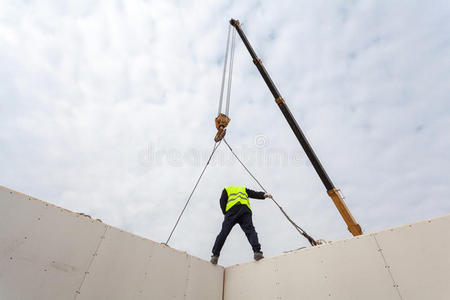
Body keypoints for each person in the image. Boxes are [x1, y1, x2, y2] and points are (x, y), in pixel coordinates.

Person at [210, 186, 272, 265]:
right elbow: (254, 194)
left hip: (232, 211)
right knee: (250, 231)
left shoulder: (227, 189)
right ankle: (257, 252)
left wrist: (225, 212)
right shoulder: (243, 189)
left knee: (224, 233)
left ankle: (215, 256)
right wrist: (264, 195)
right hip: (244, 210)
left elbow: (222, 201)